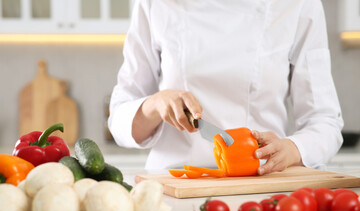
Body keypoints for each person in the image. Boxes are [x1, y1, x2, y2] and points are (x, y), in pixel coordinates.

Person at [108, 0, 344, 175]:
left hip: (262, 187)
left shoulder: (299, 5)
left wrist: (291, 149)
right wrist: (155, 104)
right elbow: (118, 120)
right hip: (175, 185)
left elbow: (325, 122)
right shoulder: (154, 3)